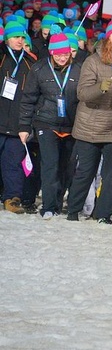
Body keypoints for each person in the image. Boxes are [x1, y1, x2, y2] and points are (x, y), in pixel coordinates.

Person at [65, 15, 112, 225]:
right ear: (108, 38)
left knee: (111, 175)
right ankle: (74, 210)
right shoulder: (93, 61)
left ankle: (104, 214)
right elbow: (82, 94)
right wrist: (101, 87)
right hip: (90, 127)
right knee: (86, 171)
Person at [18, 28, 80, 219]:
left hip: (70, 125)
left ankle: (58, 201)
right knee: (50, 165)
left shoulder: (78, 70)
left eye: (66, 54)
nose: (63, 58)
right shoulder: (39, 69)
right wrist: (23, 127)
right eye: (58, 54)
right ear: (52, 52)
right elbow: (28, 99)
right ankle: (49, 206)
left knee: (66, 167)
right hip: (46, 123)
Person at [0, 15, 35, 214]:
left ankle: (12, 198)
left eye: (22, 37)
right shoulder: (1, 56)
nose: (20, 40)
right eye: (15, 37)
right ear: (7, 39)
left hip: (16, 124)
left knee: (13, 164)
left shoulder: (30, 63)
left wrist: (26, 125)